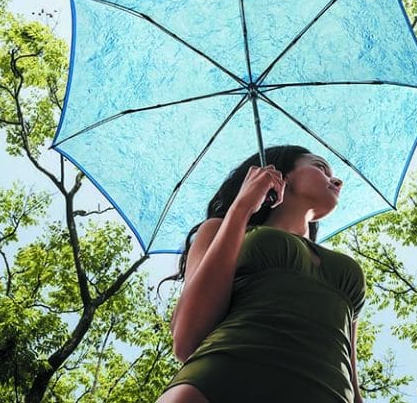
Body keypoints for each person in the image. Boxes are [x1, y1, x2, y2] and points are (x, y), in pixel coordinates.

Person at [156, 145, 366, 403]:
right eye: (320, 167)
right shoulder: (221, 229)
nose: (336, 179)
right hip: (219, 384)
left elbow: (351, 377)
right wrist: (243, 206)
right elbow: (187, 339)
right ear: (281, 174)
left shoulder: (340, 268)